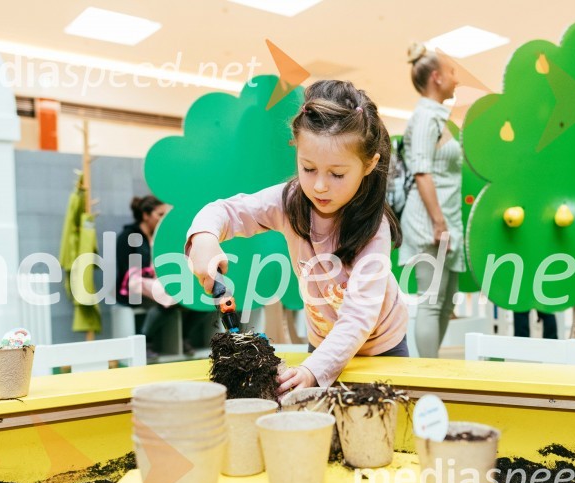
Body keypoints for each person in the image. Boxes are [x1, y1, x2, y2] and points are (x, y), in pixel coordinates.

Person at [186, 80, 409, 395]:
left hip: (381, 345)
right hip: (322, 344)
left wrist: (313, 369)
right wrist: (205, 236)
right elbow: (226, 211)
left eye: (337, 174)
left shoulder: (374, 230)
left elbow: (359, 316)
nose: (319, 186)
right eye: (308, 168)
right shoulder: (288, 202)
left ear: (369, 164)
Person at [398, 43, 465, 358]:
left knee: (447, 300)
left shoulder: (440, 116)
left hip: (446, 217)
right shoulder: (425, 115)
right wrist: (439, 222)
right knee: (432, 299)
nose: (458, 79)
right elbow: (422, 170)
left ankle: (432, 370)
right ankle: (430, 376)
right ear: (436, 77)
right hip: (430, 220)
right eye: (453, 72)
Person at [116, 196, 214, 357]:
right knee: (169, 298)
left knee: (200, 297)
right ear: (145, 215)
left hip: (159, 283)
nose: (163, 220)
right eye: (160, 215)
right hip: (133, 289)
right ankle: (145, 340)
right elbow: (128, 272)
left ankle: (184, 336)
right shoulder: (128, 237)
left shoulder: (163, 237)